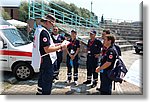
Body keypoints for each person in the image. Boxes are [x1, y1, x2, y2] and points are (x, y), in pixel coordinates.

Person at [31, 14, 67, 95]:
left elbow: (46, 45)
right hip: (46, 60)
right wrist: (61, 47)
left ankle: (40, 93)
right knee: (47, 81)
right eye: (52, 24)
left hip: (42, 59)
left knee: (42, 79)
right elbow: (47, 49)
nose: (52, 26)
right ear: (47, 22)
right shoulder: (44, 32)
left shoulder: (38, 29)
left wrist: (57, 45)